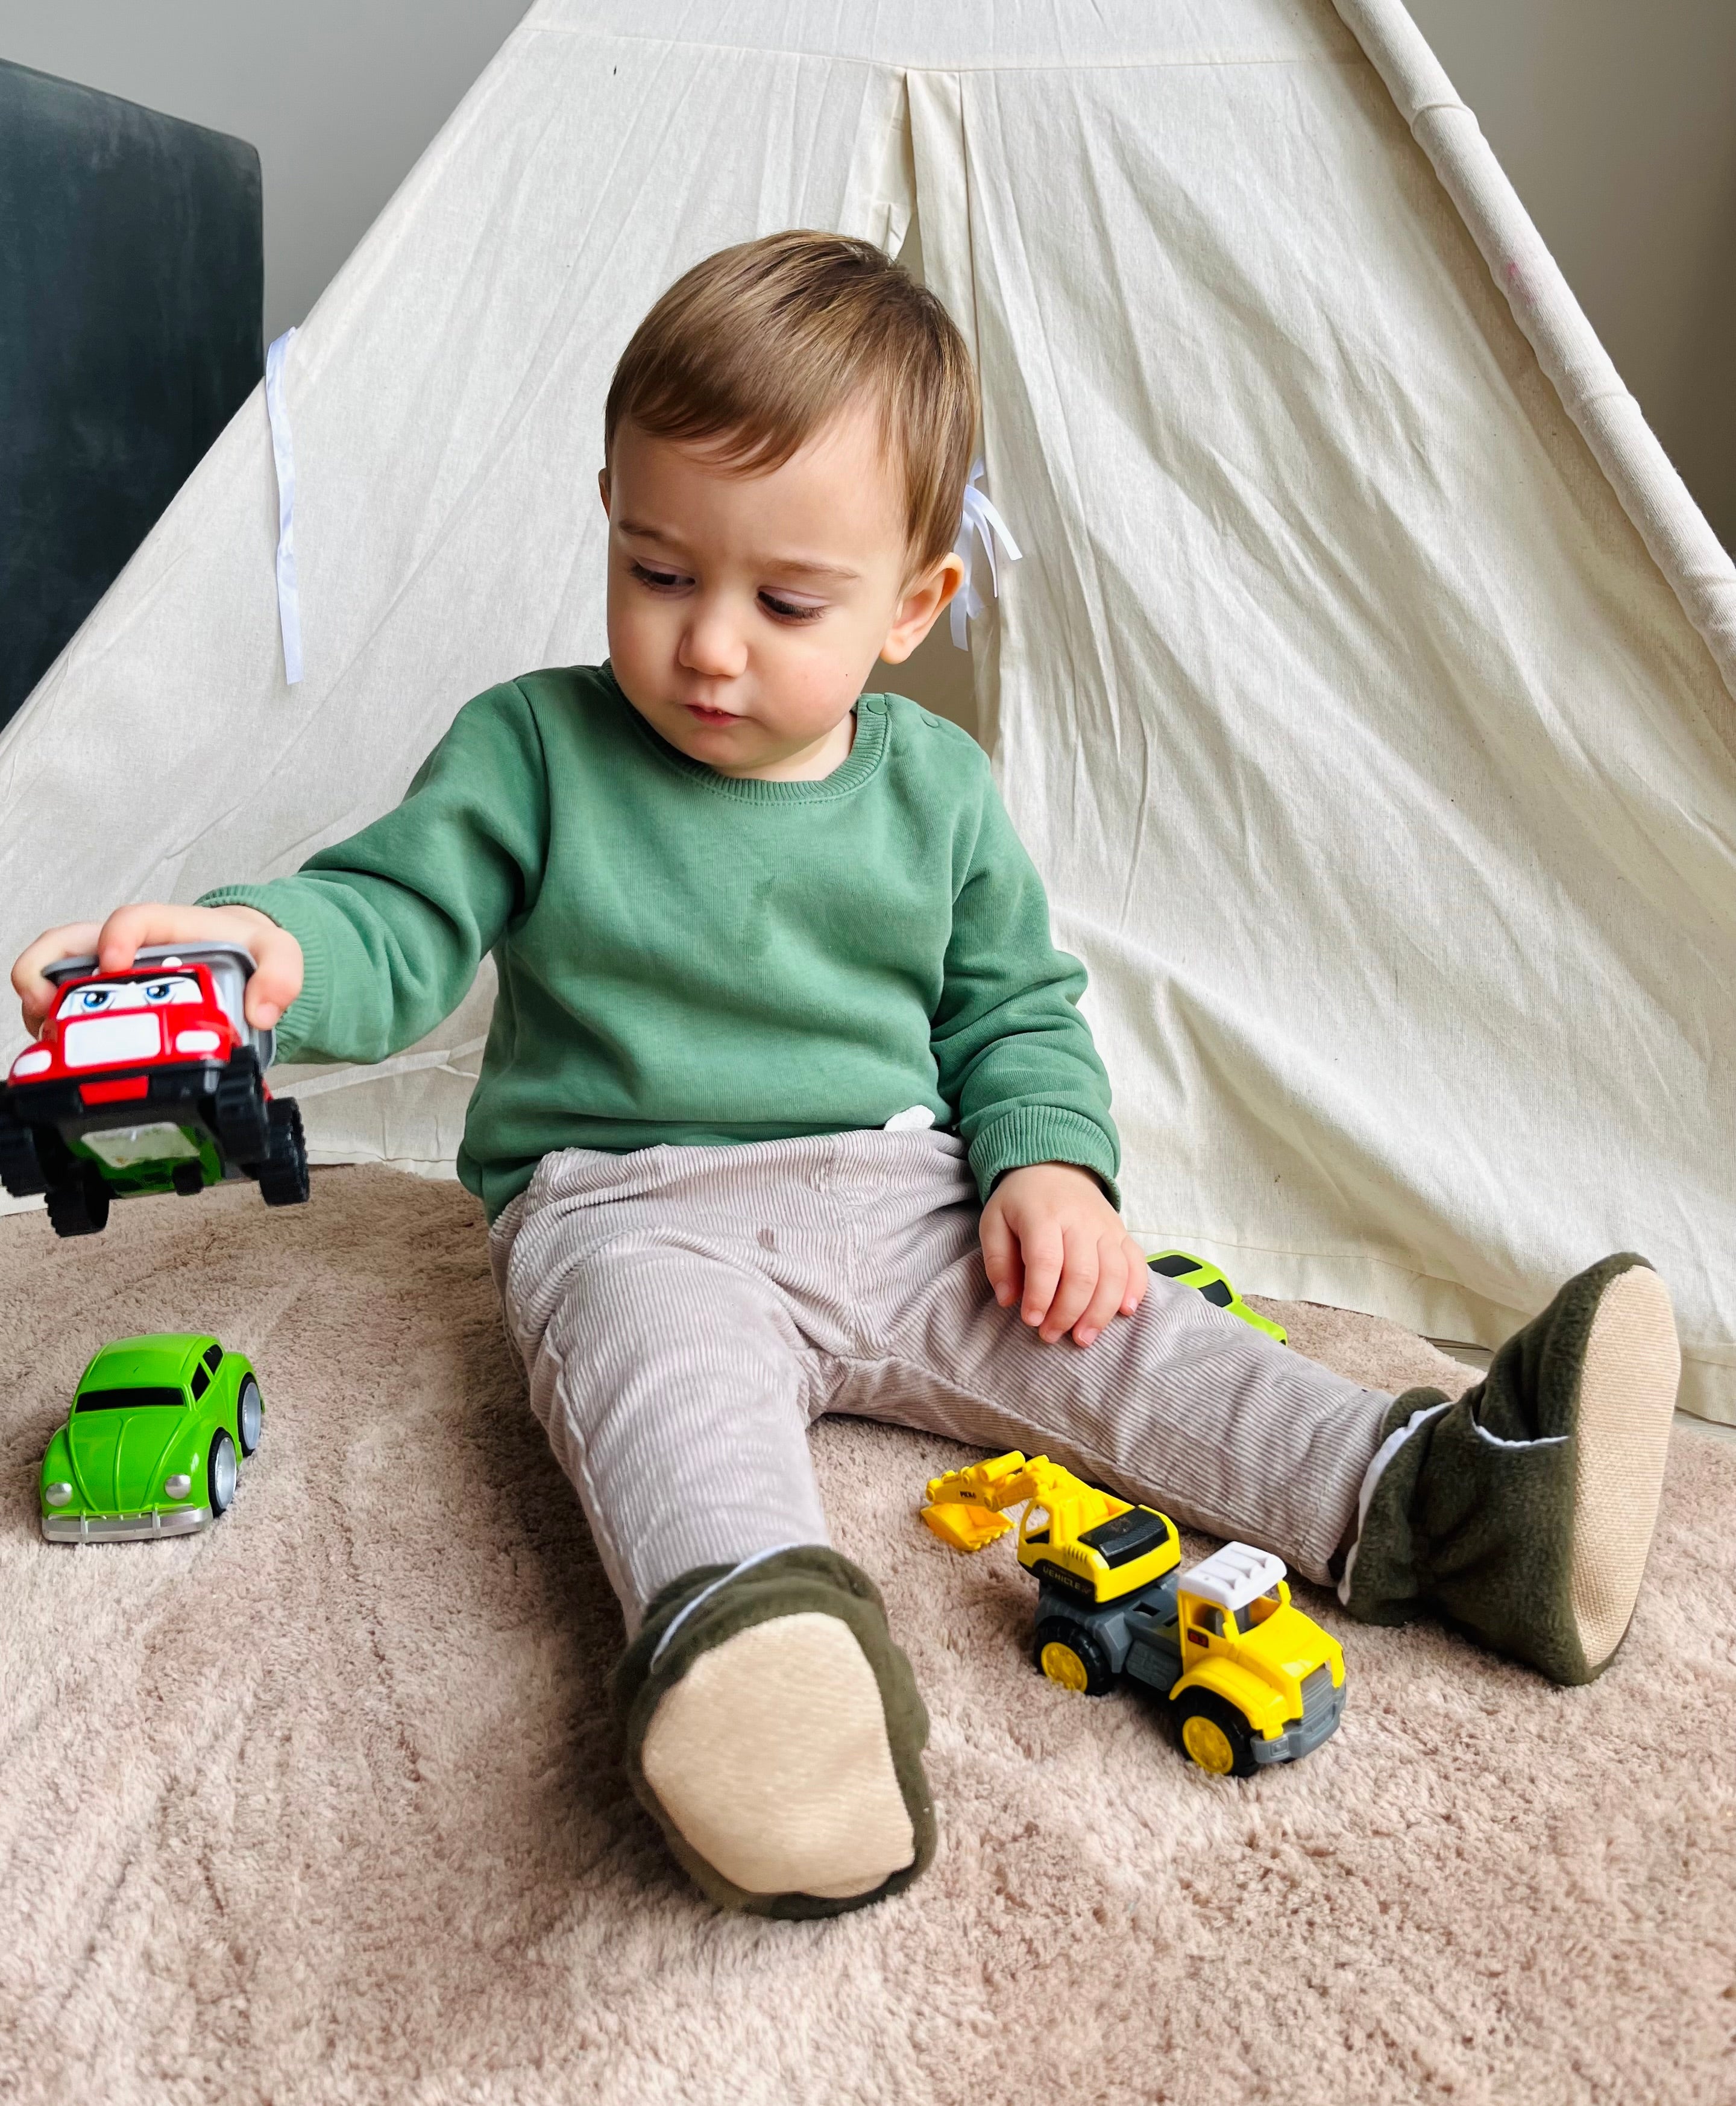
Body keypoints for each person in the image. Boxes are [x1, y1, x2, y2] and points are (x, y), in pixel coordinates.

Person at [10, 231, 1682, 1919]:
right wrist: (262, 947)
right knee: (673, 1410)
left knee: (1133, 1342)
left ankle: (1466, 1505)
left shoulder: (938, 793)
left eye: (785, 602)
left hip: (899, 1190)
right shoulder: (531, 749)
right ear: (612, 519)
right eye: (659, 573)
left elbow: (1016, 1010)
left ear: (913, 607)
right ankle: (759, 1662)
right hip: (625, 1207)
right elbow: (392, 914)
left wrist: (1050, 1170)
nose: (710, 647)